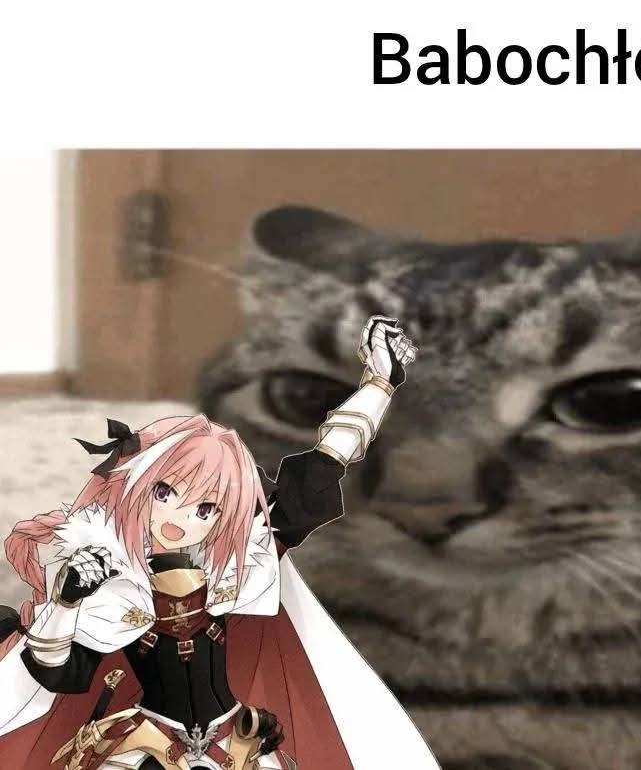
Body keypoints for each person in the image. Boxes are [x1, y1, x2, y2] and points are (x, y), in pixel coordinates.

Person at [0, 316, 436, 770]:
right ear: (137, 489)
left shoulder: (236, 561)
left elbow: (322, 467)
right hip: (150, 745)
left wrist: (380, 384)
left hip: (235, 740)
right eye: (164, 493)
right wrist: (67, 601)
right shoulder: (111, 580)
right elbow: (63, 675)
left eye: (205, 509)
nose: (179, 518)